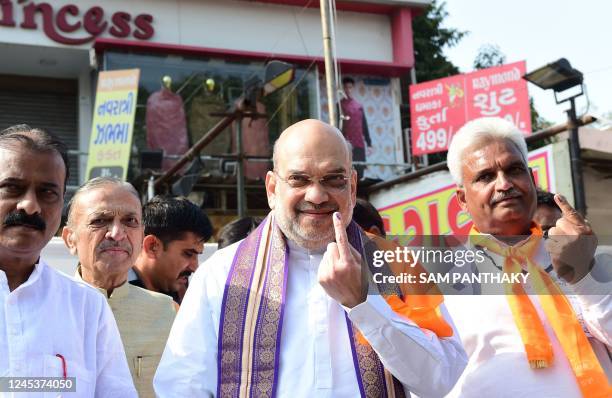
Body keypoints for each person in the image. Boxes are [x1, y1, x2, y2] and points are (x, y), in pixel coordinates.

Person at [154, 119, 467, 397]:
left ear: (353, 187)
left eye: (334, 180)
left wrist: (364, 305)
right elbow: (182, 387)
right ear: (272, 188)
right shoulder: (219, 275)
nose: (316, 196)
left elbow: (439, 381)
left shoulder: (399, 264)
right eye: (299, 180)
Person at [444, 117, 611, 397]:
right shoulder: (442, 280)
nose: (504, 184)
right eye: (486, 176)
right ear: (462, 199)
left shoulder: (584, 254)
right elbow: (430, 378)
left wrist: (585, 276)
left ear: (531, 179)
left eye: (514, 170)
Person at [0, 125, 136, 396]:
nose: (30, 206)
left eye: (47, 192)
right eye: (12, 188)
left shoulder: (87, 307)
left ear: (62, 203)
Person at [62, 177, 176, 397]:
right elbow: (12, 383)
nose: (116, 233)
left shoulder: (169, 313)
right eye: (100, 220)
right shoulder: (40, 308)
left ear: (142, 235)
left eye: (130, 221)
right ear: (70, 239)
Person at [131, 195, 213, 304]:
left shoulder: (183, 294)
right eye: (188, 254)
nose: (195, 267)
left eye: (197, 255)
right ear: (152, 246)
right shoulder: (113, 294)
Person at [340, 76, 372, 179]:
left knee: (360, 171)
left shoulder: (359, 106)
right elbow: (337, 125)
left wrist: (369, 143)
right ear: (343, 88)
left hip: (359, 143)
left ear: (353, 88)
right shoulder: (339, 105)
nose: (348, 90)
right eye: (346, 87)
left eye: (350, 87)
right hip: (346, 143)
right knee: (347, 170)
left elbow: (364, 125)